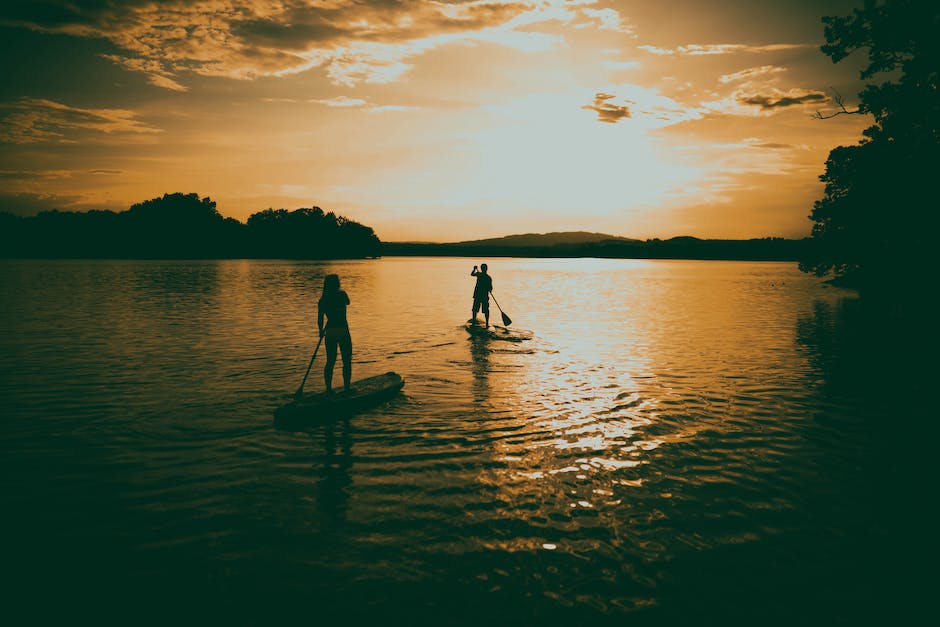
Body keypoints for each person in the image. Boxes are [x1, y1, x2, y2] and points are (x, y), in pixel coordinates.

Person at [318, 274, 352, 393]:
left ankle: (328, 389)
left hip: (330, 331)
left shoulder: (323, 300)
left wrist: (321, 331)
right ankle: (347, 388)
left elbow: (320, 318)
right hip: (343, 331)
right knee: (346, 360)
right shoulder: (341, 295)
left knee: (330, 361)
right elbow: (348, 302)